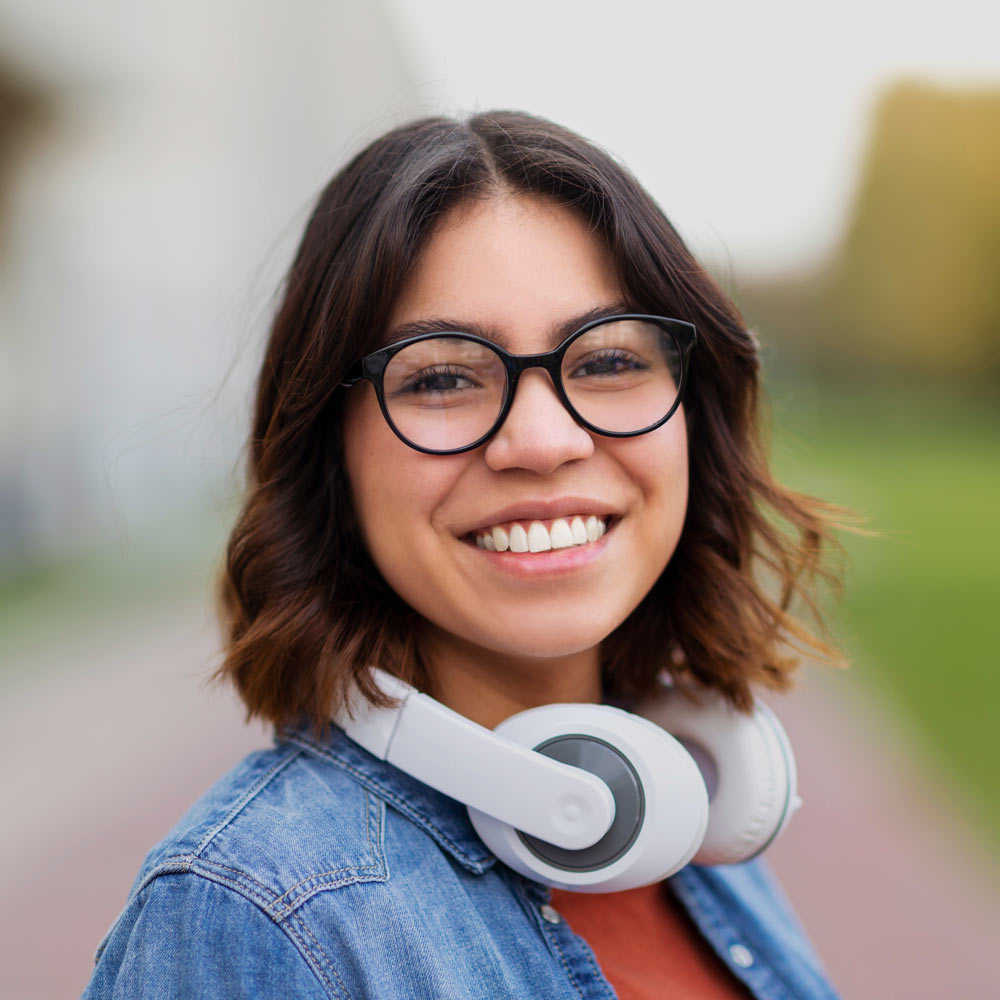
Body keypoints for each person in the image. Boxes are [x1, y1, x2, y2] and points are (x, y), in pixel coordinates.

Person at [82, 111, 845, 999]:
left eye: (605, 361)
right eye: (442, 377)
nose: (543, 439)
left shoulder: (692, 820)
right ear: (330, 453)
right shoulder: (251, 916)